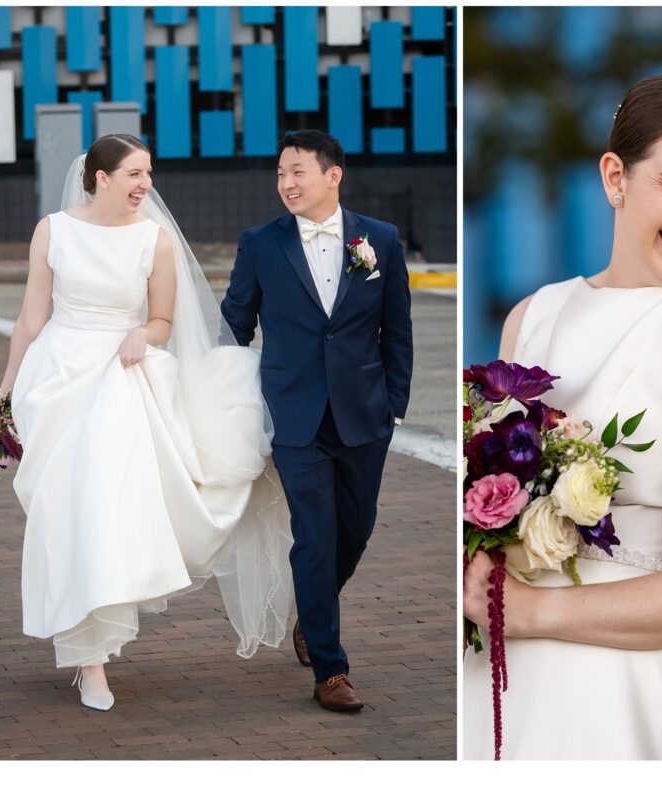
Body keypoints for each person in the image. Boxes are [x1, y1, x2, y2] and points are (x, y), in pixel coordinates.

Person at [462, 73, 662, 759]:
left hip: (624, 685)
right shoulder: (533, 315)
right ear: (615, 177)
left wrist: (537, 611)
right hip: (499, 670)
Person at [2, 134, 292, 712]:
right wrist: (5, 391)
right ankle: (83, 648)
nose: (146, 184)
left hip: (119, 378)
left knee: (100, 508)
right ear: (101, 177)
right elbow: (32, 318)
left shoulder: (154, 241)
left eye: (149, 173)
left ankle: (93, 660)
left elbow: (163, 320)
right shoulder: (52, 231)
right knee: (63, 511)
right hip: (57, 380)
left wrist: (142, 333)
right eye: (135, 173)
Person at [221, 131, 413, 712]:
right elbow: (233, 326)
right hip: (295, 418)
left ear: (333, 175)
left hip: (365, 416)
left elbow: (396, 330)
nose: (286, 183)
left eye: (297, 171)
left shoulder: (380, 239)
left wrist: (393, 403)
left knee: (356, 530)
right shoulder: (260, 244)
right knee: (314, 536)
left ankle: (314, 613)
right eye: (281, 173)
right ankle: (331, 670)